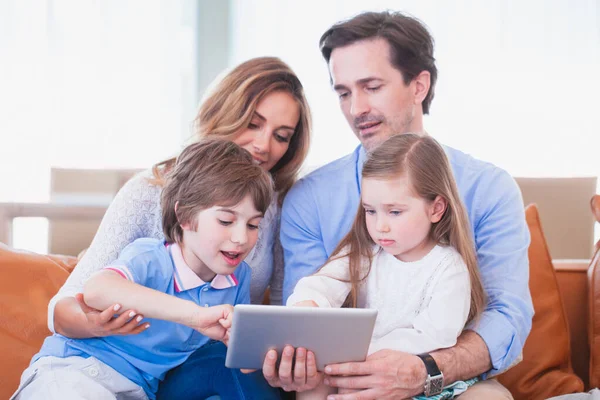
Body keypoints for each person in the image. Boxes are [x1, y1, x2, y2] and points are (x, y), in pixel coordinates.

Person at [263, 11, 533, 400]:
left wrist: (422, 370)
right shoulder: (310, 199)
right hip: (347, 378)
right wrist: (299, 353)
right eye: (343, 92)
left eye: (371, 86)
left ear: (419, 85)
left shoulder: (488, 189)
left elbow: (507, 317)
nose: (356, 109)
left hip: (443, 379)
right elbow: (309, 314)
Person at [46, 57, 310, 397]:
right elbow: (80, 296)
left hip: (162, 379)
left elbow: (275, 315)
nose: (264, 145)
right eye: (253, 124)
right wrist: (94, 323)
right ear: (183, 216)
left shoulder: (274, 210)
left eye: (281, 135)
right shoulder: (148, 212)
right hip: (91, 367)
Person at [11, 139, 279, 400]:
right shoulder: (152, 257)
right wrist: (197, 316)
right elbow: (96, 290)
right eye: (226, 220)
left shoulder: (238, 278)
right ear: (184, 217)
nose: (242, 238)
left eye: (253, 225)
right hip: (78, 371)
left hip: (138, 391)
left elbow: (241, 362)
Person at [286, 133, 486, 400]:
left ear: (436, 209)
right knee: (315, 384)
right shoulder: (366, 253)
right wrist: (308, 304)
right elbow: (323, 283)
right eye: (371, 211)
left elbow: (434, 335)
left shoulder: (448, 268)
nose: (380, 226)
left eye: (394, 212)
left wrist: (363, 354)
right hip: (362, 365)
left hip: (410, 380)